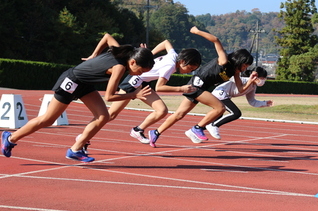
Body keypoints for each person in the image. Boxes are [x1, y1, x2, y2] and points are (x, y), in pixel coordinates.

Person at [1, 42, 154, 162]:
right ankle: (10, 138)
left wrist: (93, 55)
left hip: (84, 84)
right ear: (133, 62)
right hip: (71, 81)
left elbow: (107, 37)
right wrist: (134, 95)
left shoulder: (125, 53)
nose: (138, 75)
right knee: (48, 119)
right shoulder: (119, 67)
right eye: (140, 71)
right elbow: (109, 97)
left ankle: (75, 149)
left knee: (103, 116)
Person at [81, 33, 201, 146]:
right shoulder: (169, 67)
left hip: (142, 83)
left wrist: (149, 55)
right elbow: (159, 87)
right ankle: (83, 137)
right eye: (190, 68)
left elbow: (165, 42)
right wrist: (181, 88)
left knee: (162, 111)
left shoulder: (173, 55)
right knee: (110, 115)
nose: (189, 71)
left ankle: (138, 130)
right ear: (183, 61)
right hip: (132, 82)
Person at [148, 26, 254, 146]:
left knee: (179, 114)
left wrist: (250, 82)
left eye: (247, 66)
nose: (245, 68)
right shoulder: (224, 60)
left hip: (199, 88)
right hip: (196, 86)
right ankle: (197, 128)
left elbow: (240, 89)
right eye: (245, 65)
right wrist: (197, 32)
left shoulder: (235, 72)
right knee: (220, 108)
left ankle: (155, 132)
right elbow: (216, 40)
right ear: (239, 60)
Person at [205, 66, 273, 139]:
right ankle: (213, 126)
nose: (263, 81)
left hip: (225, 96)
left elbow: (252, 101)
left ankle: (197, 129)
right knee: (236, 113)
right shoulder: (244, 80)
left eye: (264, 79)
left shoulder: (253, 87)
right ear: (256, 77)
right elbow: (231, 77)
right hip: (219, 94)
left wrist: (265, 103)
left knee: (219, 115)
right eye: (262, 78)